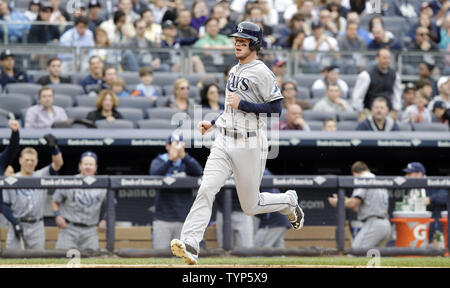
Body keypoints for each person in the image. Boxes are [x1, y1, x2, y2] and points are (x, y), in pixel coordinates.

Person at [170, 21, 304, 265]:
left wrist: (243, 105)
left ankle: (288, 201)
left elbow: (276, 109)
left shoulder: (262, 71)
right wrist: (213, 121)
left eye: (243, 41)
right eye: (236, 41)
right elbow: (229, 109)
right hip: (223, 140)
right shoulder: (234, 70)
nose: (237, 45)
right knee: (206, 189)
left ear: (254, 44)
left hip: (250, 143)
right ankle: (191, 243)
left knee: (250, 206)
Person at [2, 135, 64, 250]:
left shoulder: (41, 175)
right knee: (13, 261)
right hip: (18, 223)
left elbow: (57, 164)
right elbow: (4, 204)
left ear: (36, 162)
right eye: (27, 160)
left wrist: (55, 148)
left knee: (37, 260)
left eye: (32, 160)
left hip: (37, 226)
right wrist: (14, 222)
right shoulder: (11, 179)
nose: (29, 163)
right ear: (20, 160)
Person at [149, 132, 203, 249]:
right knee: (160, 255)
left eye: (179, 144)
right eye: (172, 144)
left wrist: (184, 157)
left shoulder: (186, 162)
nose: (175, 147)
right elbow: (153, 175)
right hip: (163, 218)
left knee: (183, 256)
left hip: (184, 219)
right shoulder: (160, 160)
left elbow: (199, 172)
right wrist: (170, 160)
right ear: (167, 146)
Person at [52, 151, 107, 251]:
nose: (88, 167)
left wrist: (105, 220)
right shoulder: (69, 182)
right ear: (80, 166)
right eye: (85, 164)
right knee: (64, 260)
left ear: (96, 167)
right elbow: (55, 200)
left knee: (91, 262)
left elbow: (110, 205)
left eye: (91, 164)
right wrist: (57, 215)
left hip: (90, 230)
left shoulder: (102, 186)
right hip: (69, 229)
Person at [328, 161, 391, 249]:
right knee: (373, 257)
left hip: (374, 224)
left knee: (355, 253)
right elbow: (362, 206)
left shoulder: (364, 179)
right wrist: (344, 200)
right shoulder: (377, 179)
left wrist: (339, 202)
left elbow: (354, 203)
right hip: (386, 224)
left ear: (355, 173)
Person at [402, 162, 448, 246]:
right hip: (419, 226)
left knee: (439, 251)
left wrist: (431, 199)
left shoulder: (432, 182)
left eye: (409, 173)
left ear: (419, 174)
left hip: (437, 226)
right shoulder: (410, 187)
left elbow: (446, 195)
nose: (406, 176)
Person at [352, 48, 402, 121]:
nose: (387, 61)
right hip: (368, 111)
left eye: (388, 58)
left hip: (388, 112)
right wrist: (360, 112)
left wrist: (395, 110)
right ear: (377, 59)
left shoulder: (395, 75)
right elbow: (358, 96)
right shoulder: (366, 75)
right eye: (384, 58)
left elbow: (397, 94)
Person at [253, 169, 291, 248]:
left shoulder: (262, 172)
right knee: (277, 253)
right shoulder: (263, 171)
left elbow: (269, 199)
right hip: (279, 218)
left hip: (272, 220)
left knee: (259, 250)